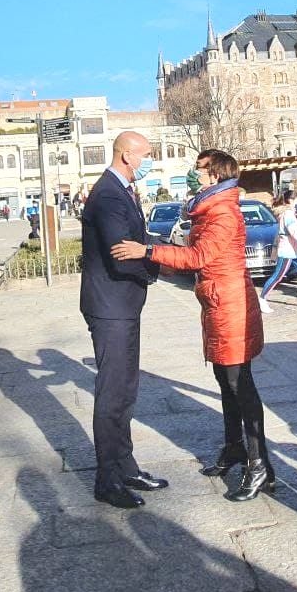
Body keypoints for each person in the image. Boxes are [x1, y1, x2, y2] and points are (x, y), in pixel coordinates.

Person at [112, 149, 274, 501]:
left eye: (198, 170)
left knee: (239, 382)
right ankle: (235, 450)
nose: (193, 174)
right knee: (224, 380)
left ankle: (259, 464)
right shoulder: (207, 208)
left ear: (215, 175)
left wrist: (148, 252)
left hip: (230, 303)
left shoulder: (223, 213)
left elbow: (198, 257)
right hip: (217, 301)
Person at [79, 131, 166, 509]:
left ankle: (125, 465)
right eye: (147, 155)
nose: (150, 161)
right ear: (128, 155)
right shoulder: (110, 194)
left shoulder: (123, 189)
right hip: (111, 305)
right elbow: (121, 252)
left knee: (126, 390)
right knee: (112, 393)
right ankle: (107, 478)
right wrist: (158, 261)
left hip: (123, 304)